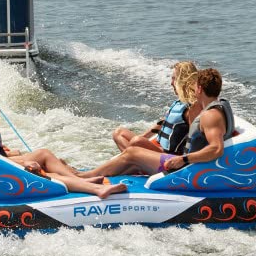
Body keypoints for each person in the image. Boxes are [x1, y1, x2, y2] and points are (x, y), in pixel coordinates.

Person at [0, 77, 127, 199]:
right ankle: (95, 189)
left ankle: (80, 179)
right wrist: (24, 163)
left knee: (44, 153)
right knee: (41, 171)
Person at [81, 68, 234, 178]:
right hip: (185, 164)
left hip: (183, 169)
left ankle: (87, 176)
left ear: (199, 89)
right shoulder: (215, 108)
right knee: (132, 157)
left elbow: (216, 149)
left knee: (132, 152)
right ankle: (96, 176)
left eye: (194, 87)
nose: (192, 90)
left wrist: (183, 159)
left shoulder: (210, 115)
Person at [112, 61, 199, 155]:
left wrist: (185, 159)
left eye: (174, 79)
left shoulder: (192, 107)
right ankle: (133, 158)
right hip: (160, 148)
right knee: (119, 133)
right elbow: (164, 122)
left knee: (137, 141)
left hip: (170, 155)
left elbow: (194, 138)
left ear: (183, 81)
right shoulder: (179, 103)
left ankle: (133, 158)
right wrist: (144, 136)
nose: (171, 83)